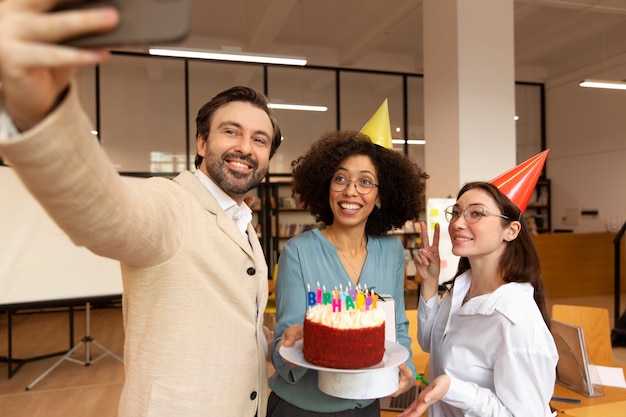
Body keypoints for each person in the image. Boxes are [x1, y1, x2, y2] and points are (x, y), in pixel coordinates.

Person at [0, 3, 282, 416]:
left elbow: (228, 321)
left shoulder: (243, 222)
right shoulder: (170, 206)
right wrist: (39, 112)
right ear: (202, 144)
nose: (245, 147)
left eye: (260, 139)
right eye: (231, 132)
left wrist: (278, 341)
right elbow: (104, 210)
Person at [268, 129, 428, 416]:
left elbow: (397, 326)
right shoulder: (298, 252)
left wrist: (406, 369)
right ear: (325, 187)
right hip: (302, 407)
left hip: (367, 405)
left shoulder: (391, 250)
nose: (350, 191)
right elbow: (283, 348)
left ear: (381, 196)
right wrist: (289, 344)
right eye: (340, 179)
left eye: (365, 182)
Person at [401, 152, 558, 417]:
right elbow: (430, 343)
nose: (458, 223)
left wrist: (452, 388)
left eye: (477, 214)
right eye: (457, 212)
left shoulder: (516, 320)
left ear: (512, 231)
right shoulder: (462, 288)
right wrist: (430, 283)